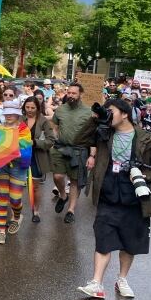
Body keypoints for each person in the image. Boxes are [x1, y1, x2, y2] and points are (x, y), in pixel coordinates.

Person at [74, 99, 151, 299]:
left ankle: (122, 279)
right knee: (103, 237)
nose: (108, 114)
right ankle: (96, 283)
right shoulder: (103, 133)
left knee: (130, 241)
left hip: (134, 195)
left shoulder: (147, 138)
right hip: (108, 190)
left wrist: (145, 175)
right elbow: (78, 140)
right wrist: (95, 119)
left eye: (111, 111)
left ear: (125, 114)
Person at [0, 100, 32, 244]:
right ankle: (1, 230)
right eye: (6, 113)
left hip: (18, 167)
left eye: (12, 113)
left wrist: (8, 146)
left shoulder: (23, 129)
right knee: (2, 197)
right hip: (1, 166)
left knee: (15, 198)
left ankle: (17, 216)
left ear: (18, 114)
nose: (8, 116)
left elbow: (25, 147)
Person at [50, 83, 90, 224]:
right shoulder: (60, 109)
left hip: (79, 151)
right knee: (58, 176)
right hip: (60, 148)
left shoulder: (88, 112)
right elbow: (54, 126)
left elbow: (92, 135)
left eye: (74, 93)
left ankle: (71, 210)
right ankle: (62, 195)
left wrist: (92, 155)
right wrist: (55, 139)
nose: (71, 95)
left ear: (80, 94)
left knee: (74, 182)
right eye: (69, 92)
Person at [22, 97, 56, 222]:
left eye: (33, 108)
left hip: (36, 158)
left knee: (35, 186)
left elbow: (51, 140)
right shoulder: (20, 119)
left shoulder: (43, 122)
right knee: (18, 185)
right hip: (20, 157)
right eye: (27, 107)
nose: (29, 110)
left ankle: (36, 211)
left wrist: (35, 142)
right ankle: (15, 213)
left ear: (37, 108)